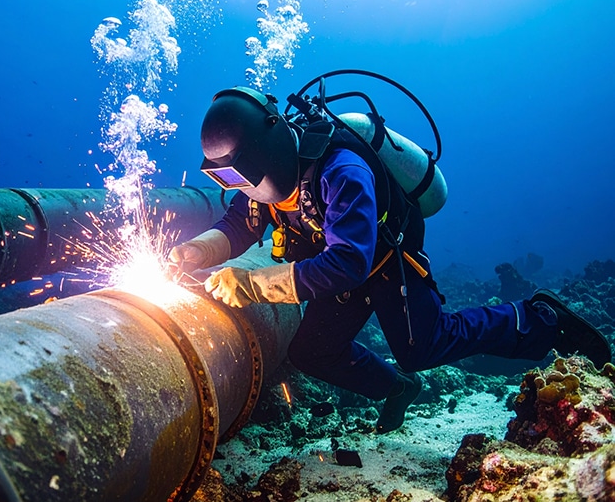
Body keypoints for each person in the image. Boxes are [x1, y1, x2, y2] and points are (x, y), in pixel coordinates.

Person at [168, 85, 612, 433]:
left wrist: (250, 284)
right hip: (333, 270)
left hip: (383, 261)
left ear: (268, 156)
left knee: (424, 345)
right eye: (224, 177)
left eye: (240, 175)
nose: (239, 185)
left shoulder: (341, 171)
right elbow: (237, 226)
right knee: (310, 351)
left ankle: (539, 320)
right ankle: (397, 387)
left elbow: (349, 263)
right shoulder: (259, 184)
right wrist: (196, 251)